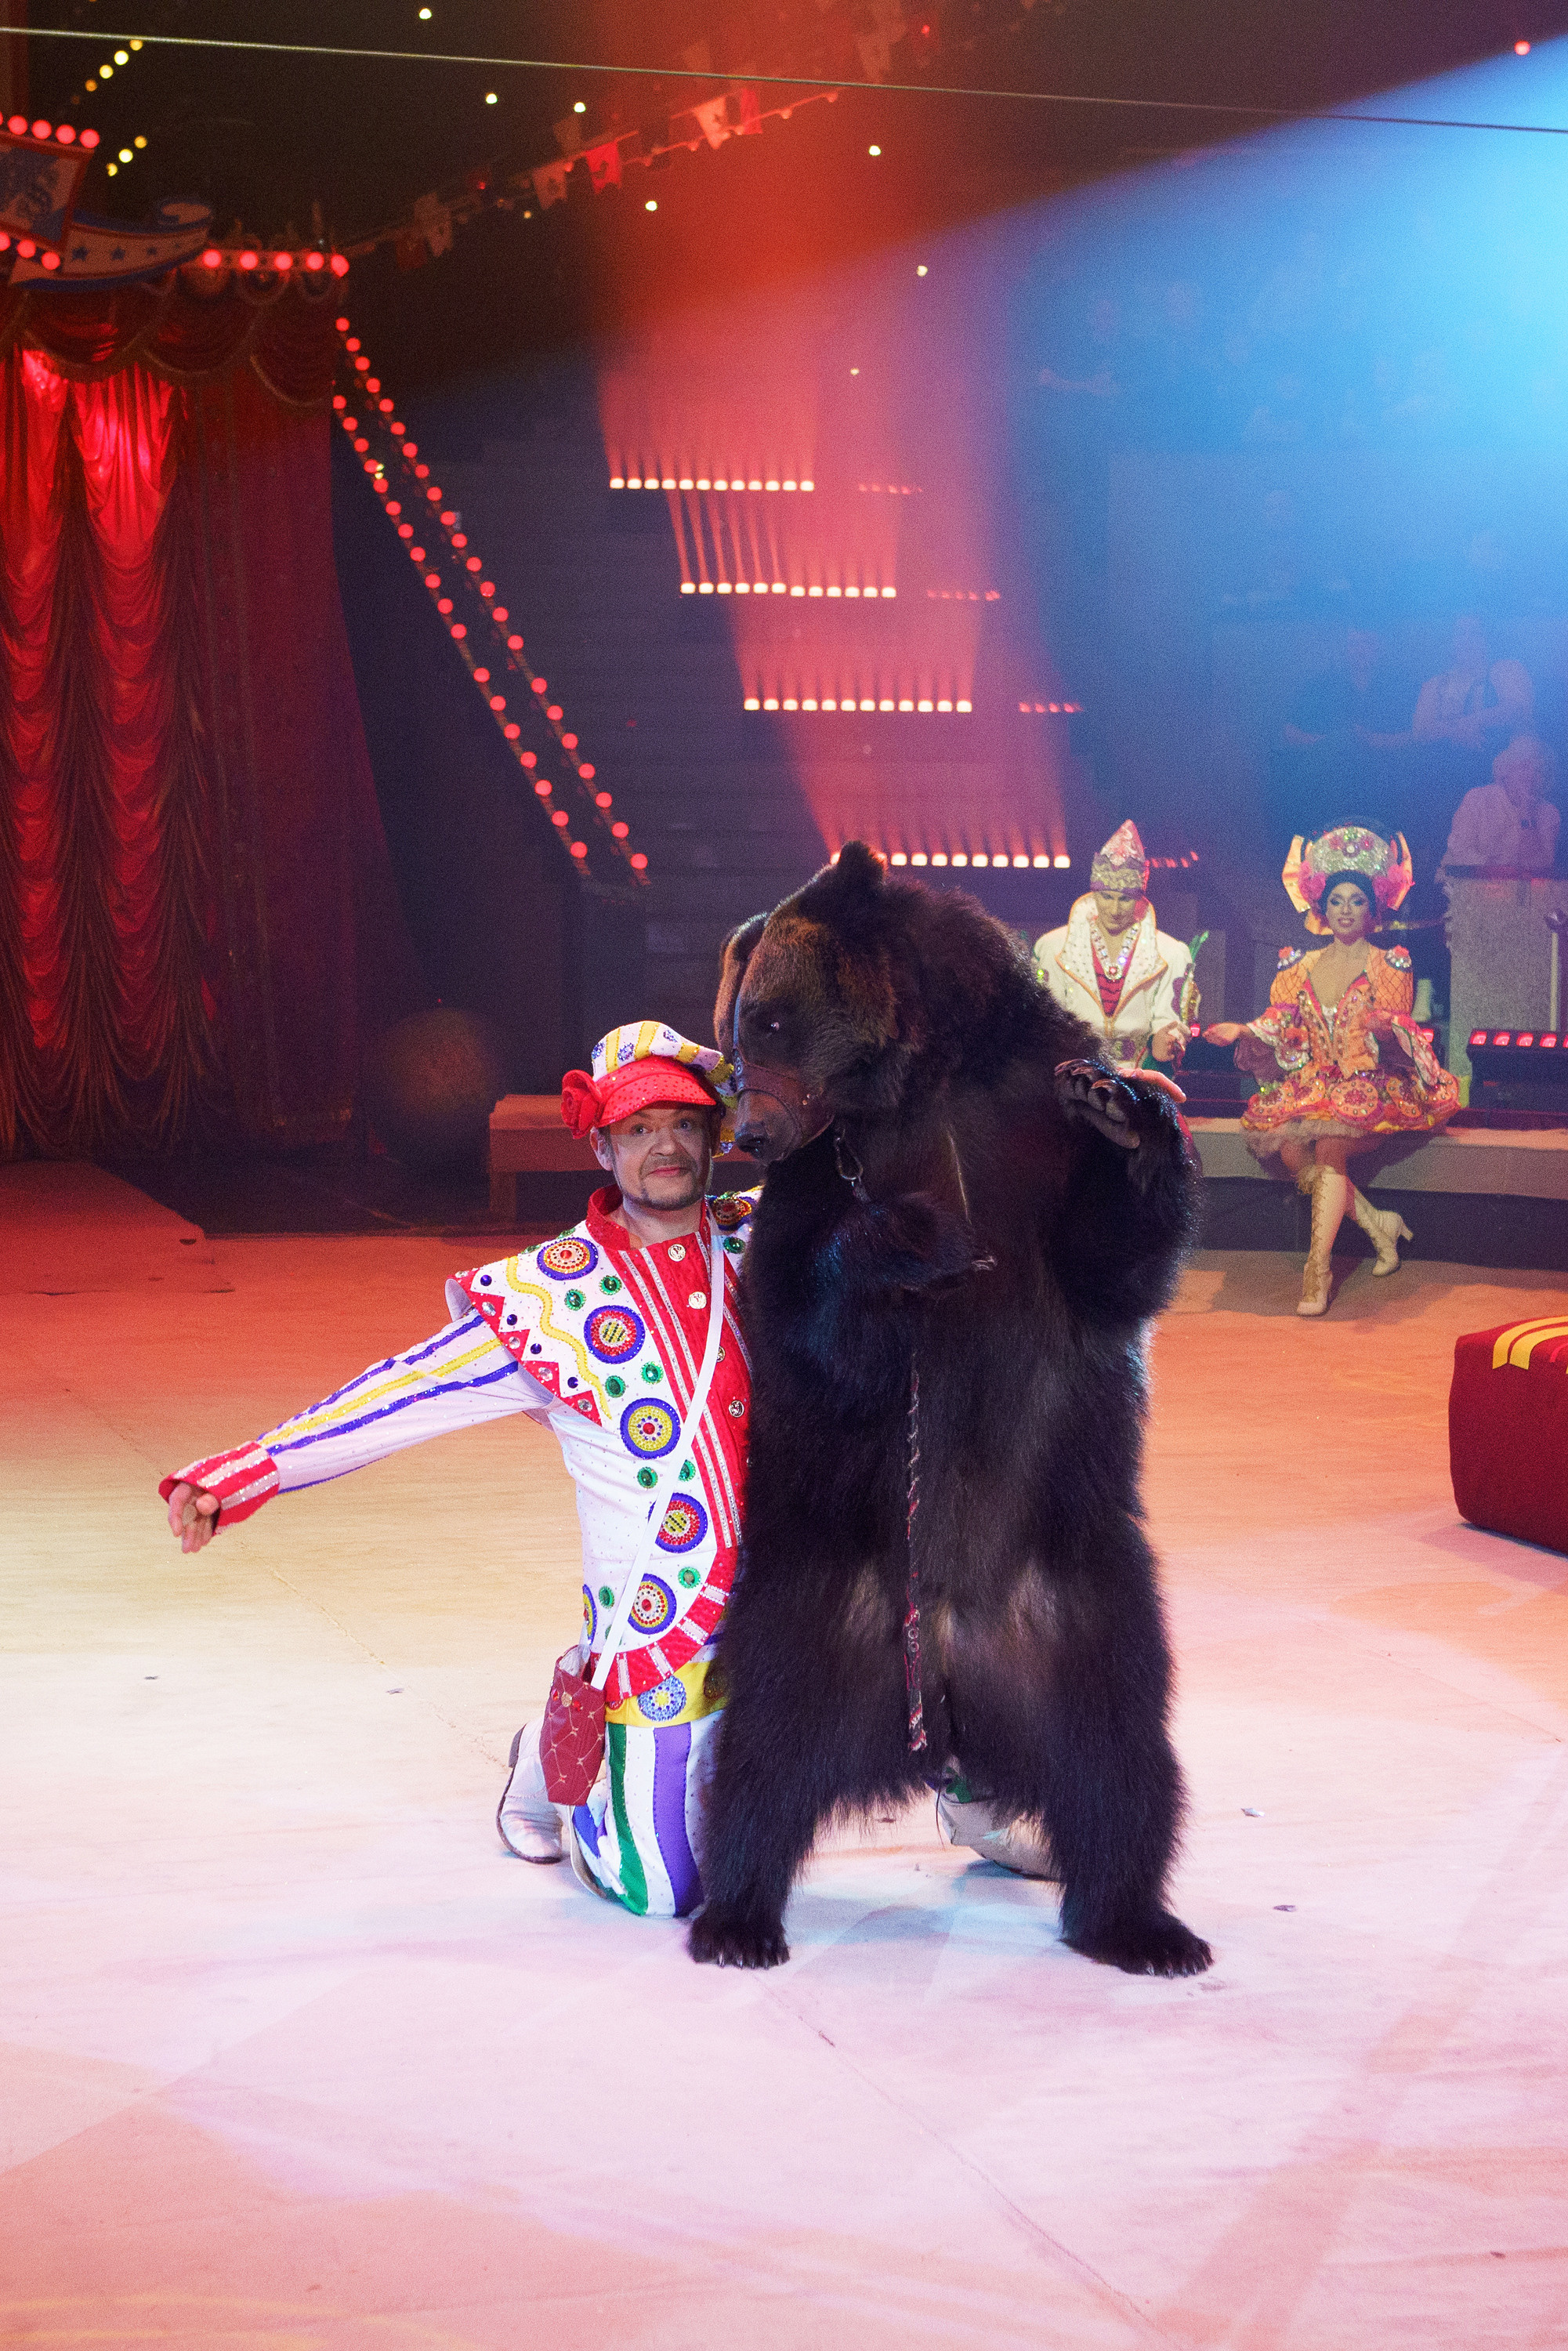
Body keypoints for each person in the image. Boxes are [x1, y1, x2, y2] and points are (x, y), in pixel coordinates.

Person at [161, 1021, 758, 1920]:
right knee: (666, 1891)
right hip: (659, 1625)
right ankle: (556, 1761)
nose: (665, 1146)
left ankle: (967, 1797)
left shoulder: (764, 1237)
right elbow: (402, 1392)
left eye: (683, 1124)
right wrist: (246, 1472)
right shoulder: (550, 1296)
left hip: (783, 1612)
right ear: (601, 1147)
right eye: (638, 1129)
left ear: (715, 1137)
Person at [1204, 824, 1459, 1317]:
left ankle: (1316, 1271)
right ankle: (1379, 1225)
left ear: (1373, 907)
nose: (1346, 910)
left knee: (1329, 1147)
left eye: (1357, 901)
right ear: (1322, 905)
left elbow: (1396, 1022)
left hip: (1370, 1083)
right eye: (1337, 900)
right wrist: (1243, 1029)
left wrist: (1386, 1026)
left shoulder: (1391, 963)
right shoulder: (1298, 965)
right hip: (1316, 1083)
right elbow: (1282, 1019)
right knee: (1293, 1150)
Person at [1034, 820, 1195, 1066]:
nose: (1115, 910)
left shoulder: (1170, 952)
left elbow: (1170, 1020)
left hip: (1138, 1072)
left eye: (1125, 900)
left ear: (1139, 899)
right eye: (1107, 897)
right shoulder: (1055, 946)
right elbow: (1047, 1016)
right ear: (1094, 893)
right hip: (1074, 1069)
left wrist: (1167, 1037)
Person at [1272, 625, 1414, 846]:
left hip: (1383, 774)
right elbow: (1290, 733)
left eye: (1367, 643)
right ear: (1345, 648)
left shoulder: (1399, 687)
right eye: (1354, 644)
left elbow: (1417, 736)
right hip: (1329, 778)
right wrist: (1329, 743)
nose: (1360, 650)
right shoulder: (1322, 687)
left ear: (1380, 647)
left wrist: (1372, 740)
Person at [1440, 733, 1560, 872]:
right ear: (1505, 770)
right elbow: (1459, 848)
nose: (1531, 775)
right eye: (1524, 767)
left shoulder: (1549, 813)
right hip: (1462, 881)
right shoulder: (1478, 798)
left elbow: (1542, 865)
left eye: (1538, 770)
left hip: (1517, 884)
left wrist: (1527, 814)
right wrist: (1496, 869)